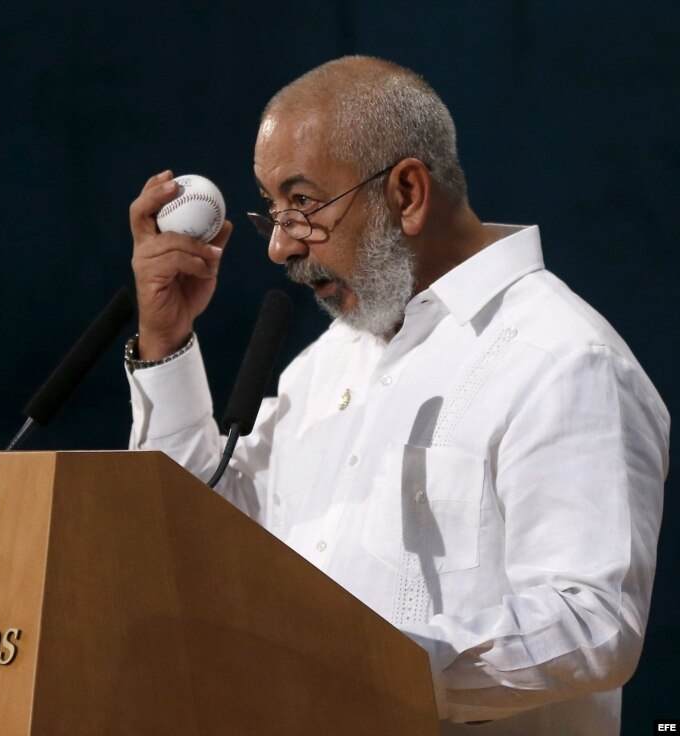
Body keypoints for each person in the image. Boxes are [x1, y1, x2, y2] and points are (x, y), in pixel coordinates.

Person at [124, 56, 669, 735]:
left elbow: (593, 627)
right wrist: (165, 341)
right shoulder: (327, 363)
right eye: (272, 210)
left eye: (302, 203)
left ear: (407, 193)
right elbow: (196, 536)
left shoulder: (562, 359)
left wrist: (363, 661)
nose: (280, 248)